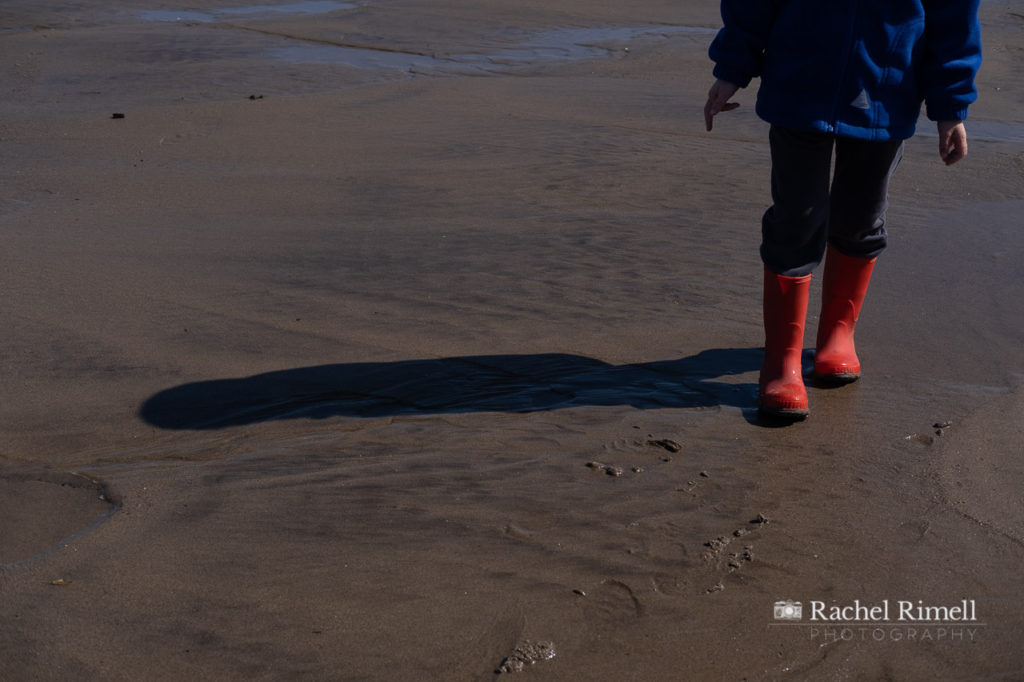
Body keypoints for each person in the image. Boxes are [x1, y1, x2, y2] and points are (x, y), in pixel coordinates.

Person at [703, 1, 982, 419]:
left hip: (887, 91)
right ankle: (782, 364)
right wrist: (731, 68)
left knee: (861, 218)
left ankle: (837, 336)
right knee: (796, 220)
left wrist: (951, 107)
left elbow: (954, 19)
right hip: (799, 86)